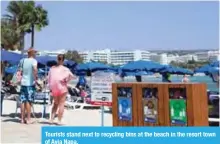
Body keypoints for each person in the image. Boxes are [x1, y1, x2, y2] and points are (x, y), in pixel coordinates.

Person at [48, 54, 75, 125]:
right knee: (61, 104)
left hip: (54, 88)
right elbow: (72, 76)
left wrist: (50, 87)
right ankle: (59, 120)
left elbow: (49, 78)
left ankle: (51, 119)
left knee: (55, 104)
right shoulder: (65, 69)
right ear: (63, 60)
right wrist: (67, 81)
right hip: (62, 87)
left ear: (57, 59)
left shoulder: (52, 68)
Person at [19, 48, 38, 124]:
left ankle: (22, 119)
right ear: (31, 53)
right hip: (30, 83)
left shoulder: (22, 61)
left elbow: (20, 71)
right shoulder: (34, 61)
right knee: (28, 101)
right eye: (34, 52)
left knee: (22, 100)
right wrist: (35, 78)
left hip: (23, 82)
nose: (35, 54)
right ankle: (28, 119)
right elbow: (35, 70)